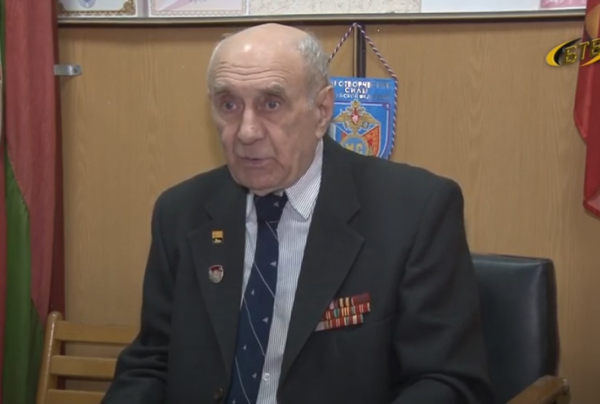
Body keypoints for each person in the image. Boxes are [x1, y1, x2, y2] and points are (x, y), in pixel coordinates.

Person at [102, 23, 494, 404]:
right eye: (229, 105)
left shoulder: (414, 211)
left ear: (322, 111)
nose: (247, 132)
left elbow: (447, 382)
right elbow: (153, 362)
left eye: (271, 104)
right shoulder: (180, 212)